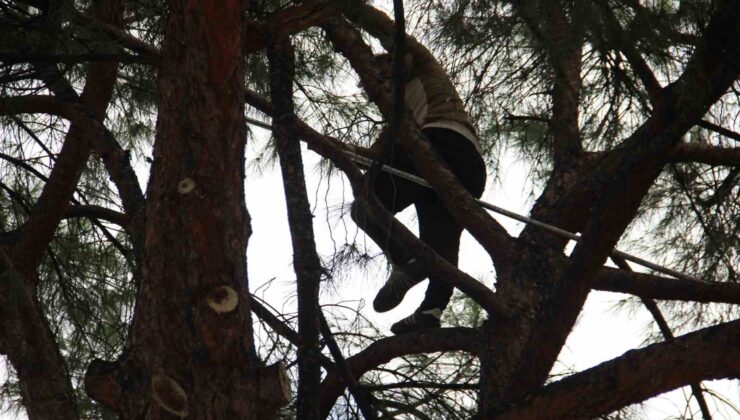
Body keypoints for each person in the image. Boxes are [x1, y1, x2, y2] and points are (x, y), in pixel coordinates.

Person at [351, 50, 486, 334]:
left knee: (365, 206)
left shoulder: (423, 65)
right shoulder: (398, 113)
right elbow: (376, 153)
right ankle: (430, 312)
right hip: (467, 166)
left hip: (438, 143)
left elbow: (399, 40)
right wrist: (342, 149)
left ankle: (406, 262)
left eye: (384, 73)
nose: (383, 82)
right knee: (441, 242)